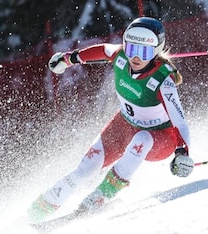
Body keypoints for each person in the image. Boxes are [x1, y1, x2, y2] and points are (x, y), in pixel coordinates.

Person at [28, 17, 194, 223]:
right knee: (85, 169)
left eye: (144, 52)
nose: (136, 57)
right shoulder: (121, 56)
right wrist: (68, 59)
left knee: (142, 138)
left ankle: (98, 198)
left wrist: (182, 153)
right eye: (132, 48)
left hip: (160, 138)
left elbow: (180, 122)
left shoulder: (162, 80)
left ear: (156, 52)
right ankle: (38, 210)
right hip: (124, 127)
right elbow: (101, 50)